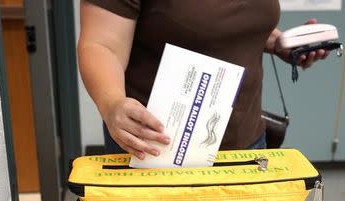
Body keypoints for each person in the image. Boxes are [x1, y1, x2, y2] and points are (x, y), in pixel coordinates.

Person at [78, 0, 328, 159]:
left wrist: (279, 43)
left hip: (246, 142)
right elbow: (101, 44)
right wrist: (111, 103)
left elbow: (231, 23)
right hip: (160, 149)